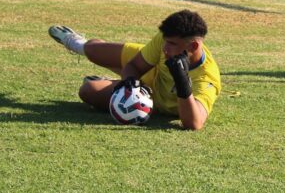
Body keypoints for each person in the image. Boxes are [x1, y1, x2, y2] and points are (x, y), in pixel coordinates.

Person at [49, 9, 221, 130]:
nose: (165, 48)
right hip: (150, 76)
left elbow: (194, 123)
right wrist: (129, 82)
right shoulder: (164, 43)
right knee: (94, 51)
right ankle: (77, 43)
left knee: (88, 91)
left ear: (193, 46)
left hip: (151, 101)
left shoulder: (207, 77)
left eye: (172, 44)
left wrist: (182, 82)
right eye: (165, 41)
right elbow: (134, 66)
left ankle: (105, 82)